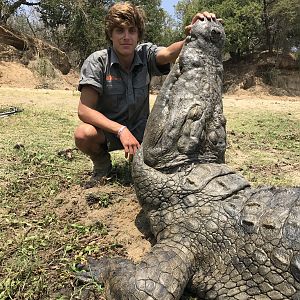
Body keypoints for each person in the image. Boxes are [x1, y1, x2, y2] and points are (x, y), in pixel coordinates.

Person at [74, 1, 217, 182]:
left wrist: (193, 34)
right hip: (109, 132)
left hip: (145, 134)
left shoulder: (145, 54)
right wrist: (120, 130)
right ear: (110, 34)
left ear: (138, 35)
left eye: (132, 31)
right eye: (120, 30)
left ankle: (145, 158)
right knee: (83, 134)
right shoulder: (98, 62)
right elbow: (84, 110)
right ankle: (102, 164)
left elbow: (167, 53)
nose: (126, 36)